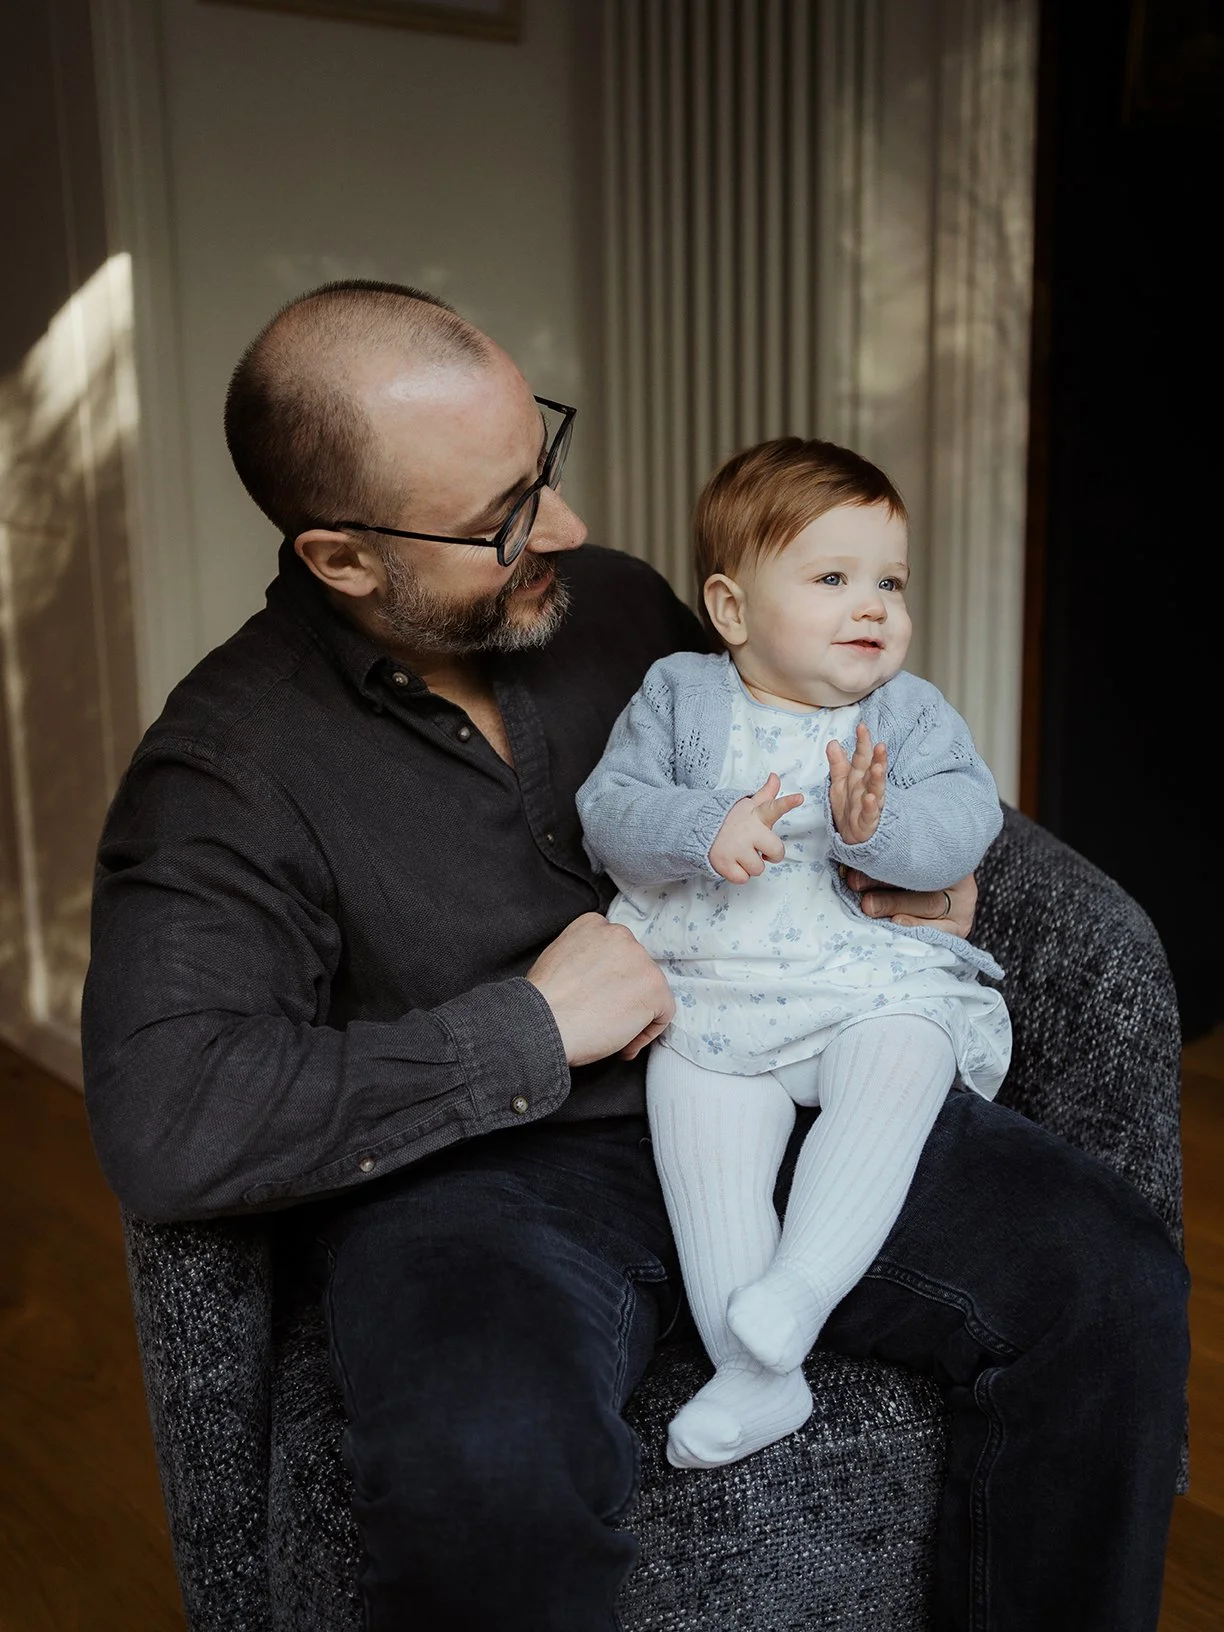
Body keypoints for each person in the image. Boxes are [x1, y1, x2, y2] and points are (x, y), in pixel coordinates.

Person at [80, 280, 1188, 1632]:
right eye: (503, 516)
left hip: (788, 1064)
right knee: (485, 1461)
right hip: (491, 1183)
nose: (569, 526)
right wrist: (529, 1028)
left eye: (542, 464)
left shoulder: (607, 606)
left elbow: (790, 733)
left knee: (1111, 1279)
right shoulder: (226, 770)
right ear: (341, 558)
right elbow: (172, 1116)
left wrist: (922, 870)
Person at [576, 437, 1013, 1472]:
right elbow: (610, 810)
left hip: (864, 984)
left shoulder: (906, 714)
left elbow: (965, 823)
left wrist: (880, 829)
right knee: (701, 1132)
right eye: (832, 579)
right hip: (715, 993)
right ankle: (760, 1377)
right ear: (731, 610)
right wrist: (703, 827)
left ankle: (801, 1289)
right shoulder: (680, 696)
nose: (873, 607)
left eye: (890, 582)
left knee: (908, 1057)